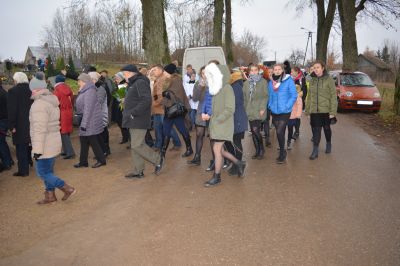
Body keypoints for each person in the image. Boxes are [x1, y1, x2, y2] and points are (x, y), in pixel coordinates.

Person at [29, 76, 75, 204]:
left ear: (34, 89)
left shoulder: (38, 104)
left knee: (42, 172)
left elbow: (39, 129)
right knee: (48, 171)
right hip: (52, 141)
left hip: (44, 144)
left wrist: (37, 150)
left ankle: (66, 188)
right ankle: (50, 196)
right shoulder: (51, 99)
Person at [203, 62, 246, 187]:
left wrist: (217, 119)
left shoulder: (227, 88)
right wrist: (209, 115)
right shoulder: (215, 89)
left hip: (223, 124)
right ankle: (239, 163)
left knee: (216, 149)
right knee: (220, 150)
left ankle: (217, 176)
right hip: (216, 124)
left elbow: (229, 109)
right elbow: (213, 107)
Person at [121, 64, 164, 178]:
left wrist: (133, 112)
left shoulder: (139, 82)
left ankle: (158, 159)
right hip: (133, 119)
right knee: (136, 145)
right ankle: (138, 170)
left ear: (130, 73)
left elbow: (146, 100)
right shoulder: (134, 83)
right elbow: (138, 99)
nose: (123, 76)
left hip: (138, 118)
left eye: (124, 73)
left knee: (136, 145)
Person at [305, 60, 337, 160]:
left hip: (326, 110)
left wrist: (333, 112)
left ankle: (328, 142)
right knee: (316, 130)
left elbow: (333, 96)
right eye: (314, 68)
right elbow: (309, 96)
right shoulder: (312, 80)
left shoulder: (329, 79)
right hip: (314, 110)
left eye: (318, 67)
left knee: (327, 129)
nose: (316, 69)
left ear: (323, 68)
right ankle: (315, 150)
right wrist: (307, 110)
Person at [74, 73, 106, 169]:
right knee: (83, 141)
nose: (78, 83)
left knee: (93, 141)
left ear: (84, 81)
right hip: (87, 119)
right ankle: (83, 162)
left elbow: (88, 109)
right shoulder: (85, 90)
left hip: (90, 121)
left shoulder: (89, 91)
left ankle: (101, 160)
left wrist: (84, 124)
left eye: (79, 81)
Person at [161, 63, 193, 159]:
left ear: (169, 71)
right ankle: (163, 153)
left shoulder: (176, 80)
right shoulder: (170, 80)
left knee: (179, 129)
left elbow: (178, 95)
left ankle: (189, 149)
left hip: (175, 110)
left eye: (165, 72)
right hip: (170, 110)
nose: (164, 73)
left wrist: (167, 94)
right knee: (169, 130)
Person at [268, 64, 297, 164]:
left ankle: (282, 153)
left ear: (282, 70)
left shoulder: (288, 80)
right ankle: (282, 148)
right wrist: (270, 105)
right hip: (274, 111)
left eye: (279, 69)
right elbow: (270, 95)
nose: (277, 71)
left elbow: (294, 95)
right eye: (275, 69)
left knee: (280, 131)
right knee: (279, 132)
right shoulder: (271, 82)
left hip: (285, 111)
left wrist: (287, 106)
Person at [149, 65, 182, 152]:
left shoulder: (164, 79)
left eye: (155, 69)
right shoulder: (158, 78)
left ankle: (177, 143)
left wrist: (155, 103)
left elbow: (161, 95)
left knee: (168, 128)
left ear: (160, 70)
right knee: (157, 128)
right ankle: (159, 145)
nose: (153, 71)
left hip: (162, 108)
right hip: (157, 108)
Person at [7, 72, 32, 176]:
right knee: (28, 144)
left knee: (20, 147)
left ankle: (23, 170)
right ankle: (29, 162)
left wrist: (11, 125)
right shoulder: (30, 90)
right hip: (31, 122)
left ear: (16, 80)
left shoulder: (13, 91)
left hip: (19, 124)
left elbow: (12, 110)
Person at [243, 64, 268, 160]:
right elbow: (244, 97)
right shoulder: (246, 83)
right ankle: (257, 150)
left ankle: (262, 149)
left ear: (258, 71)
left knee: (255, 130)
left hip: (259, 110)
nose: (253, 72)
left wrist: (262, 108)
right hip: (250, 110)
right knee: (253, 132)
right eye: (251, 70)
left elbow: (265, 96)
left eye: (255, 70)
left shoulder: (263, 82)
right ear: (249, 72)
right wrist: (246, 108)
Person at [225, 70, 248, 176]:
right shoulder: (236, 85)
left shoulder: (235, 87)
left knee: (236, 142)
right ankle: (236, 165)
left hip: (236, 119)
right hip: (237, 118)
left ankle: (238, 166)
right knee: (234, 142)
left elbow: (234, 104)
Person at [187, 66, 208, 166]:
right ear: (201, 74)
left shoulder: (215, 83)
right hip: (201, 111)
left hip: (213, 112)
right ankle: (197, 157)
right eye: (203, 73)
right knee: (199, 134)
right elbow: (195, 98)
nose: (205, 75)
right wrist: (200, 86)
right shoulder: (197, 84)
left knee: (214, 137)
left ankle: (220, 160)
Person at [53, 74, 75, 159]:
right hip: (69, 111)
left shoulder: (57, 89)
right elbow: (72, 99)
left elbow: (55, 102)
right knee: (66, 132)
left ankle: (70, 152)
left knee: (64, 133)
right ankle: (66, 150)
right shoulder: (68, 88)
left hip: (61, 112)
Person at [89, 71, 110, 156]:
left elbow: (98, 102)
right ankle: (104, 150)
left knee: (102, 134)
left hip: (101, 115)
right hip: (97, 115)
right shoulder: (95, 87)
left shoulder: (100, 88)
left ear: (94, 79)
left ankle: (105, 151)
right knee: (100, 134)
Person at [111, 72, 130, 144]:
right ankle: (125, 138)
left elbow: (122, 98)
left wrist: (116, 94)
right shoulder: (118, 85)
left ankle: (127, 138)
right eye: (115, 78)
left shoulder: (123, 85)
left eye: (117, 78)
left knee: (123, 124)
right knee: (120, 123)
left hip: (122, 108)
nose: (115, 79)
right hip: (118, 107)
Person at [0, 81, 13, 172]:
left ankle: (7, 163)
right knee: (2, 142)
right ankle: (9, 160)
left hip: (2, 120)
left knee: (1, 143)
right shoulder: (4, 92)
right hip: (5, 119)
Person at [287, 84, 303, 150]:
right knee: (286, 130)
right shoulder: (287, 95)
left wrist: (298, 115)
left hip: (293, 116)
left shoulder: (297, 97)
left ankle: (289, 142)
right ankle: (286, 142)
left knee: (290, 130)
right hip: (286, 116)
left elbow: (299, 106)